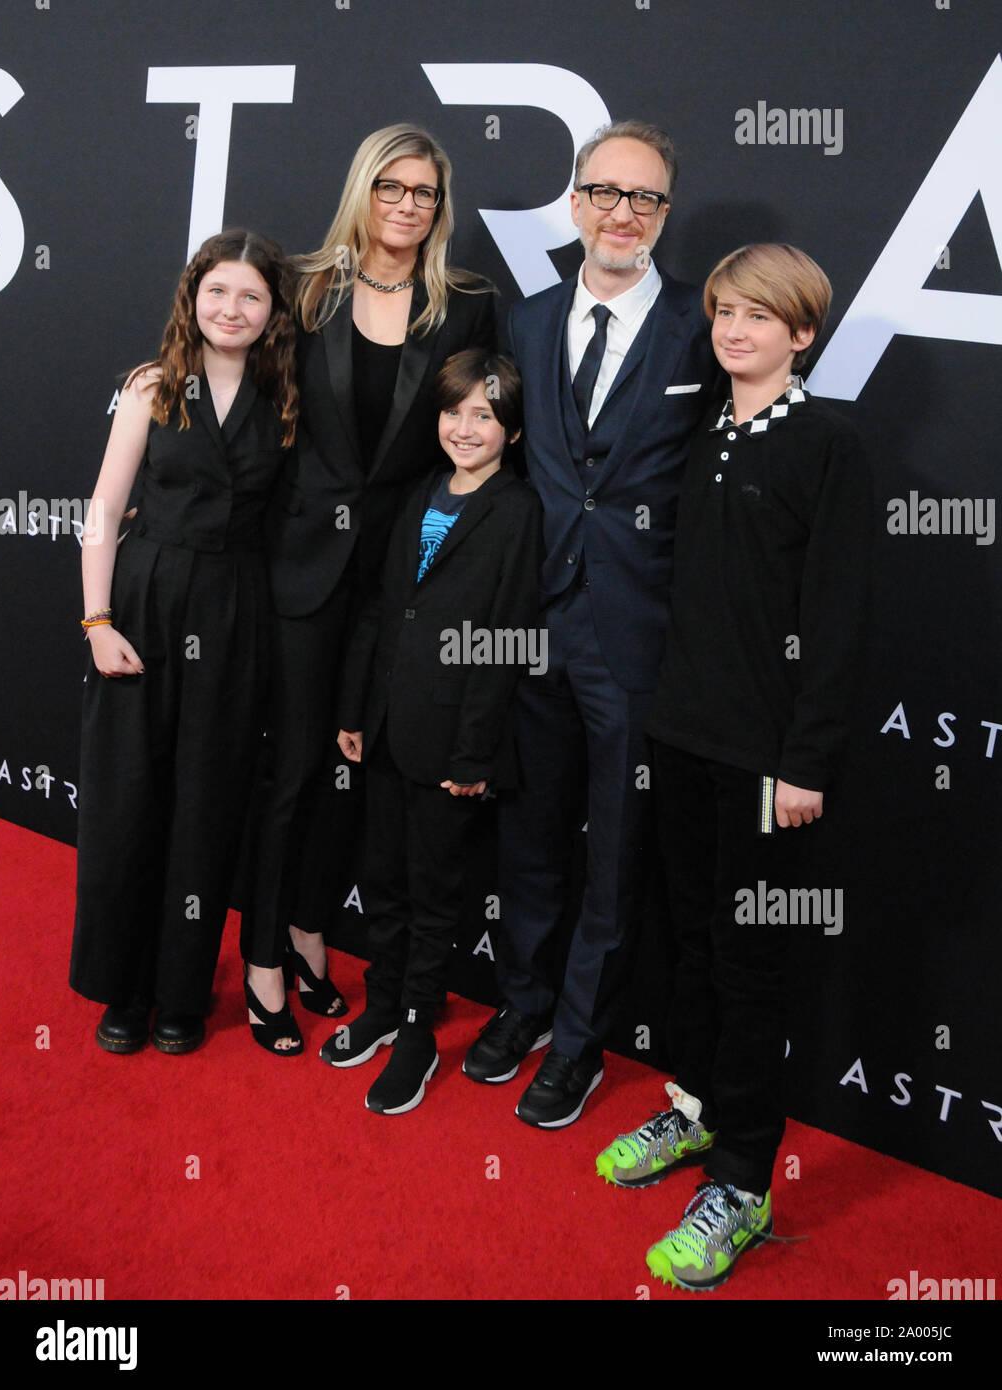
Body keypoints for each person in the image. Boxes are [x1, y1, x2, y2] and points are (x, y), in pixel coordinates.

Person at [595, 243, 871, 1290]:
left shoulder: (829, 443)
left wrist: (802, 761)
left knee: (751, 967)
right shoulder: (703, 428)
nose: (734, 330)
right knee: (692, 943)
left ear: (800, 332)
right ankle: (696, 1110)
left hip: (768, 765)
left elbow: (835, 619)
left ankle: (745, 1184)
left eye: (758, 316)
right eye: (721, 312)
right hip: (681, 737)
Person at [462, 119, 717, 1127]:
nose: (621, 214)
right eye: (603, 193)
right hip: (534, 622)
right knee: (527, 835)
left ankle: (576, 1041)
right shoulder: (523, 324)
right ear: (573, 204)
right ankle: (521, 1005)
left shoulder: (707, 323)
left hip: (638, 631)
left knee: (613, 849)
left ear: (664, 215)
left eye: (644, 199)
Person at [240, 124, 496, 1056]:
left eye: (424, 191)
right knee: (295, 769)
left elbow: (481, 437)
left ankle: (312, 931)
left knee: (358, 776)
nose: (406, 204)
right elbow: (249, 401)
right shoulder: (306, 288)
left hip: (401, 583)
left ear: (441, 204)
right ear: (363, 188)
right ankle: (264, 956)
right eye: (390, 186)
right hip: (301, 570)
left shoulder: (466, 305)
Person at [70, 229, 298, 1055]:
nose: (231, 309)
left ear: (273, 312)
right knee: (129, 802)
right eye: (217, 291)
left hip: (234, 611)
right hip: (142, 601)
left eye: (251, 296)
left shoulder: (287, 397)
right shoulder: (154, 386)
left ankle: (180, 993)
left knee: (205, 808)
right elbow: (102, 509)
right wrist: (96, 623)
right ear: (191, 296)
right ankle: (121, 988)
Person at [322, 349, 541, 1113]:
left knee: (433, 889)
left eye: (485, 415)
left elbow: (508, 637)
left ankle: (417, 1028)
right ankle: (382, 1004)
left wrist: (475, 748)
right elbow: (381, 609)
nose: (466, 427)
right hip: (384, 725)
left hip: (452, 742)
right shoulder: (418, 493)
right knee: (381, 876)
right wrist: (353, 710)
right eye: (455, 411)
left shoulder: (517, 510)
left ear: (512, 432)